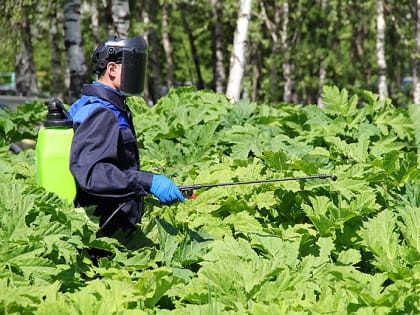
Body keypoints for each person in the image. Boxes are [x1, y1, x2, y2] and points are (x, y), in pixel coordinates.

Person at [68, 35, 184, 236]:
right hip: (105, 234)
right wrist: (148, 182)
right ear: (111, 69)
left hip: (108, 224)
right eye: (133, 65)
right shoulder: (101, 112)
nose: (139, 73)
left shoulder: (90, 103)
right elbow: (93, 174)